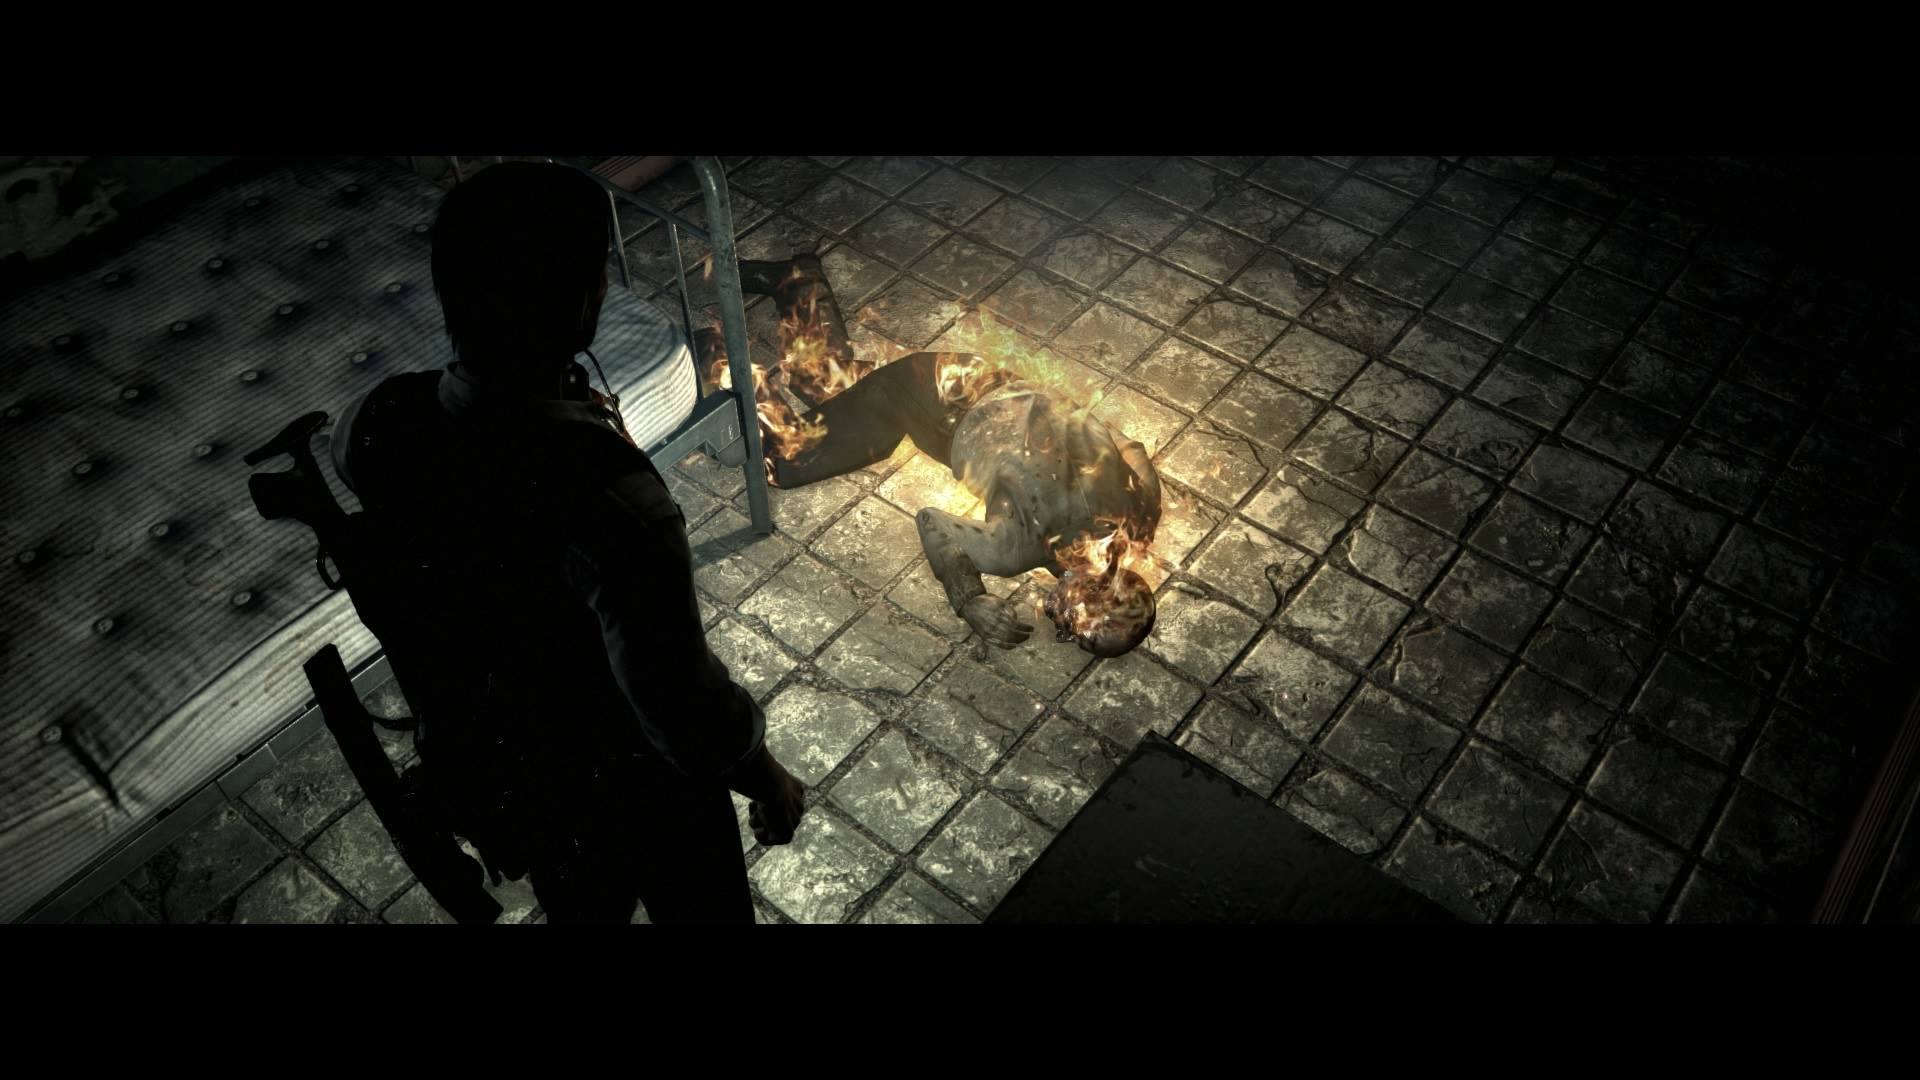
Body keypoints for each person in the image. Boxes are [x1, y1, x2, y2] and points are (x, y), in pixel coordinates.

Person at [326, 161, 805, 924]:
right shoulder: (612, 505)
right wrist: (764, 772)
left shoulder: (379, 420)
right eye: (600, 271)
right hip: (609, 774)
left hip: (512, 757)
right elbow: (678, 707)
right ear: (583, 301)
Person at [726, 256, 1163, 658]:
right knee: (785, 461)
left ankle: (800, 282)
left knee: (836, 394)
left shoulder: (1141, 510)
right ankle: (716, 358)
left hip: (984, 379)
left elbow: (1131, 449)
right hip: (931, 402)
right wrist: (968, 598)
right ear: (1084, 594)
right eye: (1076, 630)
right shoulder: (1015, 549)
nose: (1064, 633)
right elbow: (932, 522)